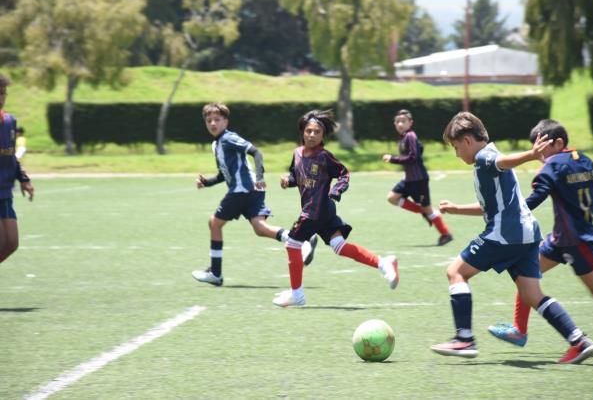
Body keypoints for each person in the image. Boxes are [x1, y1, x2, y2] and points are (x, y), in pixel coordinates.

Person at [430, 111, 593, 364]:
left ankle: (464, 338)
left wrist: (530, 156)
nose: (457, 154)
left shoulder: (486, 156)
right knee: (532, 295)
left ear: (467, 141)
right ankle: (578, 340)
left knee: (456, 273)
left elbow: (504, 161)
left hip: (504, 235)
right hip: (528, 235)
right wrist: (456, 209)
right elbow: (492, 208)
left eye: (455, 148)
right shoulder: (489, 159)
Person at [488, 119, 593, 348]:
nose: (539, 154)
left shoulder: (552, 165)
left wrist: (510, 214)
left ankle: (573, 341)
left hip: (575, 241)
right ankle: (519, 331)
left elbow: (538, 196)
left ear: (558, 143)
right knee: (525, 276)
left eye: (542, 147)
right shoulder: (587, 161)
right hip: (561, 239)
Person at [272, 109, 399, 307]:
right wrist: (288, 181)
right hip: (320, 211)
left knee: (292, 244)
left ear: (323, 136)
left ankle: (297, 294)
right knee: (339, 246)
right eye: (308, 131)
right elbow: (298, 177)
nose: (312, 135)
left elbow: (344, 174)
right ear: (302, 132)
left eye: (316, 132)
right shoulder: (296, 154)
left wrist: (336, 190)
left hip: (316, 211)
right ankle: (383, 263)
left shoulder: (324, 156)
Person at [191, 103, 318, 286]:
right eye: (209, 120)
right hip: (249, 190)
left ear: (226, 121)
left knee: (214, 222)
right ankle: (303, 241)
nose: (213, 123)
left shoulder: (229, 138)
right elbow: (223, 174)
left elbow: (256, 153)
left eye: (217, 120)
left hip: (244, 190)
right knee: (260, 228)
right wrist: (207, 182)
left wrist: (259, 176)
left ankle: (216, 273)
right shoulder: (216, 144)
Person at [382, 109, 452, 246]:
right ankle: (423, 211)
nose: (400, 124)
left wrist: (392, 159)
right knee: (392, 197)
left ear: (410, 123)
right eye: (397, 121)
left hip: (419, 180)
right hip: (408, 180)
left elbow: (413, 157)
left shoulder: (410, 136)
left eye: (403, 121)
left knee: (429, 210)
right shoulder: (403, 137)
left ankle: (446, 234)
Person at [0, 74, 34, 265]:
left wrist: (23, 179)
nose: (1, 98)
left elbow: (11, 155)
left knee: (11, 243)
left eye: (3, 93)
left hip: (4, 191)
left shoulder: (9, 122)